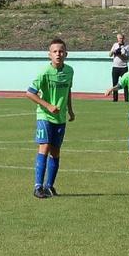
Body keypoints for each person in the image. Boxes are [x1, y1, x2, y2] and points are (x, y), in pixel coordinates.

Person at [25, 37, 75, 199]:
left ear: (66, 54)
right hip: (45, 116)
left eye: (61, 51)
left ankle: (49, 186)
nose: (58, 54)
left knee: (56, 151)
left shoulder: (69, 71)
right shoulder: (44, 73)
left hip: (59, 118)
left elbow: (68, 92)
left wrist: (70, 110)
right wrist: (47, 106)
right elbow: (29, 93)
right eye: (55, 52)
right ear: (49, 55)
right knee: (44, 148)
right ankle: (38, 187)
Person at [108, 33, 129, 103]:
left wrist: (122, 54)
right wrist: (114, 51)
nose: (121, 39)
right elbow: (109, 55)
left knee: (125, 84)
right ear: (117, 39)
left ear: (124, 38)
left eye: (122, 38)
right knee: (115, 83)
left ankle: (126, 99)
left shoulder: (127, 46)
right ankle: (115, 99)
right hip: (115, 67)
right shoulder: (115, 45)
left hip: (124, 67)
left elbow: (127, 58)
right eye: (119, 38)